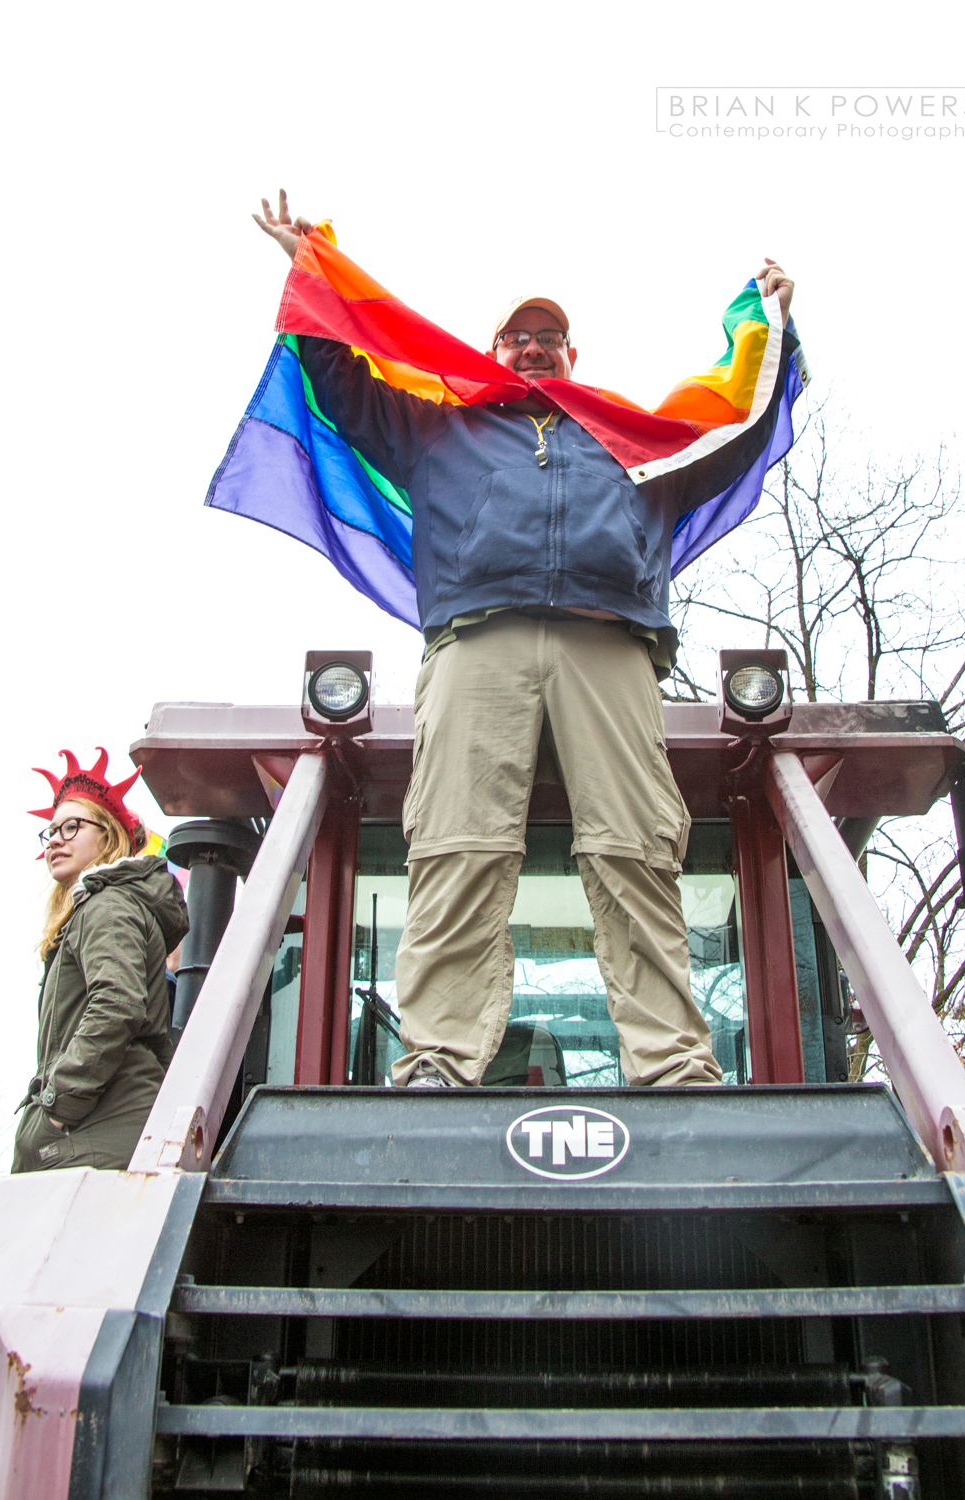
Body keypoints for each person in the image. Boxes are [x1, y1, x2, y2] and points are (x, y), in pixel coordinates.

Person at [256, 193, 795, 1089]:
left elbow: (736, 431)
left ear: (572, 353)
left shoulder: (637, 439)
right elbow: (346, 385)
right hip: (478, 639)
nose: (533, 346)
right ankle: (436, 1054)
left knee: (634, 846)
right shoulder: (440, 425)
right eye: (517, 336)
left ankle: (673, 1064)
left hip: (609, 644)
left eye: (549, 335)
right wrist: (309, 270)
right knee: (458, 842)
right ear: (492, 349)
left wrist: (775, 323)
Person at [12, 749, 189, 1172]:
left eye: (71, 826)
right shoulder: (96, 908)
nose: (55, 839)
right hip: (96, 1128)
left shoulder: (106, 905)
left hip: (92, 1133)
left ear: (108, 835)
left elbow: (117, 1004)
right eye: (51, 831)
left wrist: (55, 1111)